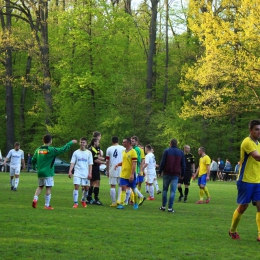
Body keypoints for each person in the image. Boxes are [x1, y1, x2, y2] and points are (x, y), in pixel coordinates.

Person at [229, 119, 260, 241]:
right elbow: (257, 157)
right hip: (245, 181)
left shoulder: (258, 144)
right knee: (243, 207)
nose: (259, 132)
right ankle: (232, 230)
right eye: (256, 129)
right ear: (250, 130)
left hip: (258, 181)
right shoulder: (247, 142)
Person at [31, 134, 77, 209]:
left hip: (40, 172)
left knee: (40, 186)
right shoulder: (51, 150)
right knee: (48, 188)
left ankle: (35, 199)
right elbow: (63, 149)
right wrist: (70, 143)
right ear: (50, 141)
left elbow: (33, 160)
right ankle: (47, 205)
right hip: (48, 172)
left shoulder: (38, 150)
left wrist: (34, 167)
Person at [158, 139, 185, 213]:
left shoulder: (167, 151)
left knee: (165, 190)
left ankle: (163, 206)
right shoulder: (181, 152)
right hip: (176, 174)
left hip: (167, 172)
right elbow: (183, 165)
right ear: (177, 144)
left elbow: (163, 162)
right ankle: (170, 208)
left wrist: (160, 171)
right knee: (173, 191)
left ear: (170, 143)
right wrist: (182, 174)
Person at [115, 138, 139, 210]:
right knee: (123, 188)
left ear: (128, 143)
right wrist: (118, 164)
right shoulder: (123, 151)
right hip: (123, 173)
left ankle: (136, 203)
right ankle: (122, 204)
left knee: (133, 188)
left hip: (130, 174)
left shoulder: (133, 152)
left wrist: (132, 174)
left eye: (124, 142)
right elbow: (125, 162)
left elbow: (134, 164)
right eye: (122, 142)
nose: (123, 143)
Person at [68, 137, 93, 208]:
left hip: (85, 173)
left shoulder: (89, 153)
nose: (82, 144)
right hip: (77, 173)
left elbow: (90, 164)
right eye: (81, 142)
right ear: (79, 143)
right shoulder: (76, 152)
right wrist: (70, 171)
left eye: (83, 142)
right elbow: (72, 162)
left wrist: (90, 173)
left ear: (86, 144)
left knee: (86, 189)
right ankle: (75, 203)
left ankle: (83, 200)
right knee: (76, 186)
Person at [106, 136, 125, 207]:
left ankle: (113, 202)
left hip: (112, 168)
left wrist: (107, 170)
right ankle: (119, 200)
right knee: (121, 185)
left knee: (112, 186)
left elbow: (107, 161)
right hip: (121, 168)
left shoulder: (109, 149)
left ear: (112, 141)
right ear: (118, 141)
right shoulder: (123, 148)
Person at [87, 137, 105, 205]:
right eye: (98, 142)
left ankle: (89, 198)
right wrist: (104, 163)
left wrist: (104, 159)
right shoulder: (92, 149)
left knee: (92, 183)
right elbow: (95, 160)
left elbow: (97, 157)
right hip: (94, 167)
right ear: (94, 142)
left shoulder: (93, 149)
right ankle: (96, 199)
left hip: (93, 167)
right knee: (97, 183)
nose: (98, 143)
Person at [131, 136, 146, 205]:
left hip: (135, 169)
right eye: (131, 141)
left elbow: (141, 160)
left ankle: (138, 198)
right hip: (134, 169)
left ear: (137, 142)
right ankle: (133, 199)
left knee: (133, 185)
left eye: (133, 141)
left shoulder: (138, 150)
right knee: (132, 185)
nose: (131, 142)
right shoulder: (133, 149)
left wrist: (141, 170)